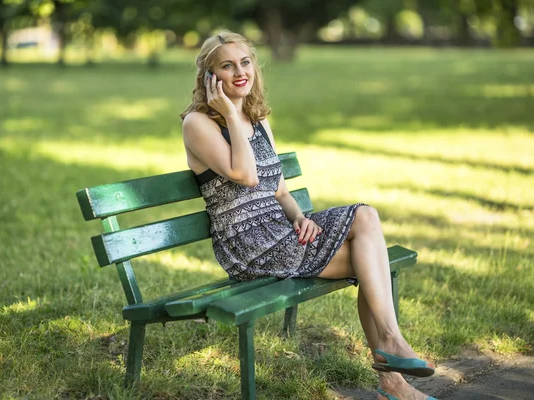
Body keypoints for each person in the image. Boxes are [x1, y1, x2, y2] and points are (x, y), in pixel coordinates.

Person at [180, 30, 437, 400]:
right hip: (249, 245)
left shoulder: (258, 120)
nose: (240, 72)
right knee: (369, 260)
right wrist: (231, 116)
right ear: (210, 77)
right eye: (227, 66)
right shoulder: (199, 124)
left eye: (245, 62)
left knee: (366, 218)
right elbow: (246, 175)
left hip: (280, 230)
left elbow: (279, 188)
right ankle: (392, 371)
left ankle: (392, 356)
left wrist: (299, 216)